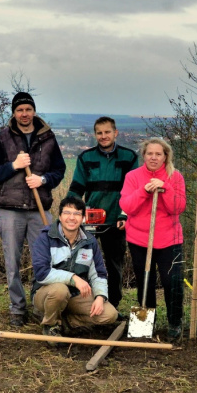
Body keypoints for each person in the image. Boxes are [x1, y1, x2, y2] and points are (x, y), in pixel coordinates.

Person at [0, 92, 66, 326]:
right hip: (9, 209)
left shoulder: (48, 138)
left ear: (34, 111)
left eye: (28, 109)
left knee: (45, 259)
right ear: (14, 113)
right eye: (20, 110)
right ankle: (17, 308)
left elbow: (59, 170)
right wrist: (14, 166)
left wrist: (43, 180)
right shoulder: (2, 138)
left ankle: (41, 304)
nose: (24, 114)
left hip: (39, 208)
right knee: (12, 261)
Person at [67, 116, 138, 308]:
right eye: (99, 133)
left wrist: (125, 215)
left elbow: (134, 191)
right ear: (95, 134)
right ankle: (82, 304)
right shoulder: (86, 157)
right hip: (91, 221)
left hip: (117, 220)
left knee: (115, 265)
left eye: (107, 132)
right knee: (83, 262)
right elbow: (75, 190)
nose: (103, 136)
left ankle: (113, 305)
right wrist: (70, 214)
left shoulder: (129, 157)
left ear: (115, 133)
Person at [120, 137, 186, 339]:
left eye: (158, 154)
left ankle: (175, 323)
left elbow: (178, 208)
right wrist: (144, 190)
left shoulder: (175, 177)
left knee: (171, 282)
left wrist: (165, 187)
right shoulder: (133, 176)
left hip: (169, 240)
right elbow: (127, 206)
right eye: (150, 153)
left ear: (166, 156)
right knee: (145, 281)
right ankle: (144, 325)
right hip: (140, 239)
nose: (154, 157)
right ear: (144, 155)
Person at [31, 196, 120, 341]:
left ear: (83, 218)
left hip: (76, 295)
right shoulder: (45, 238)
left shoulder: (89, 241)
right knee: (60, 290)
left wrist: (100, 296)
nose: (71, 218)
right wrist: (73, 278)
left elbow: (99, 274)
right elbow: (42, 273)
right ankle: (51, 325)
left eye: (77, 214)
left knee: (110, 315)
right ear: (60, 216)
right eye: (67, 213)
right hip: (46, 293)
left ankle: (65, 323)